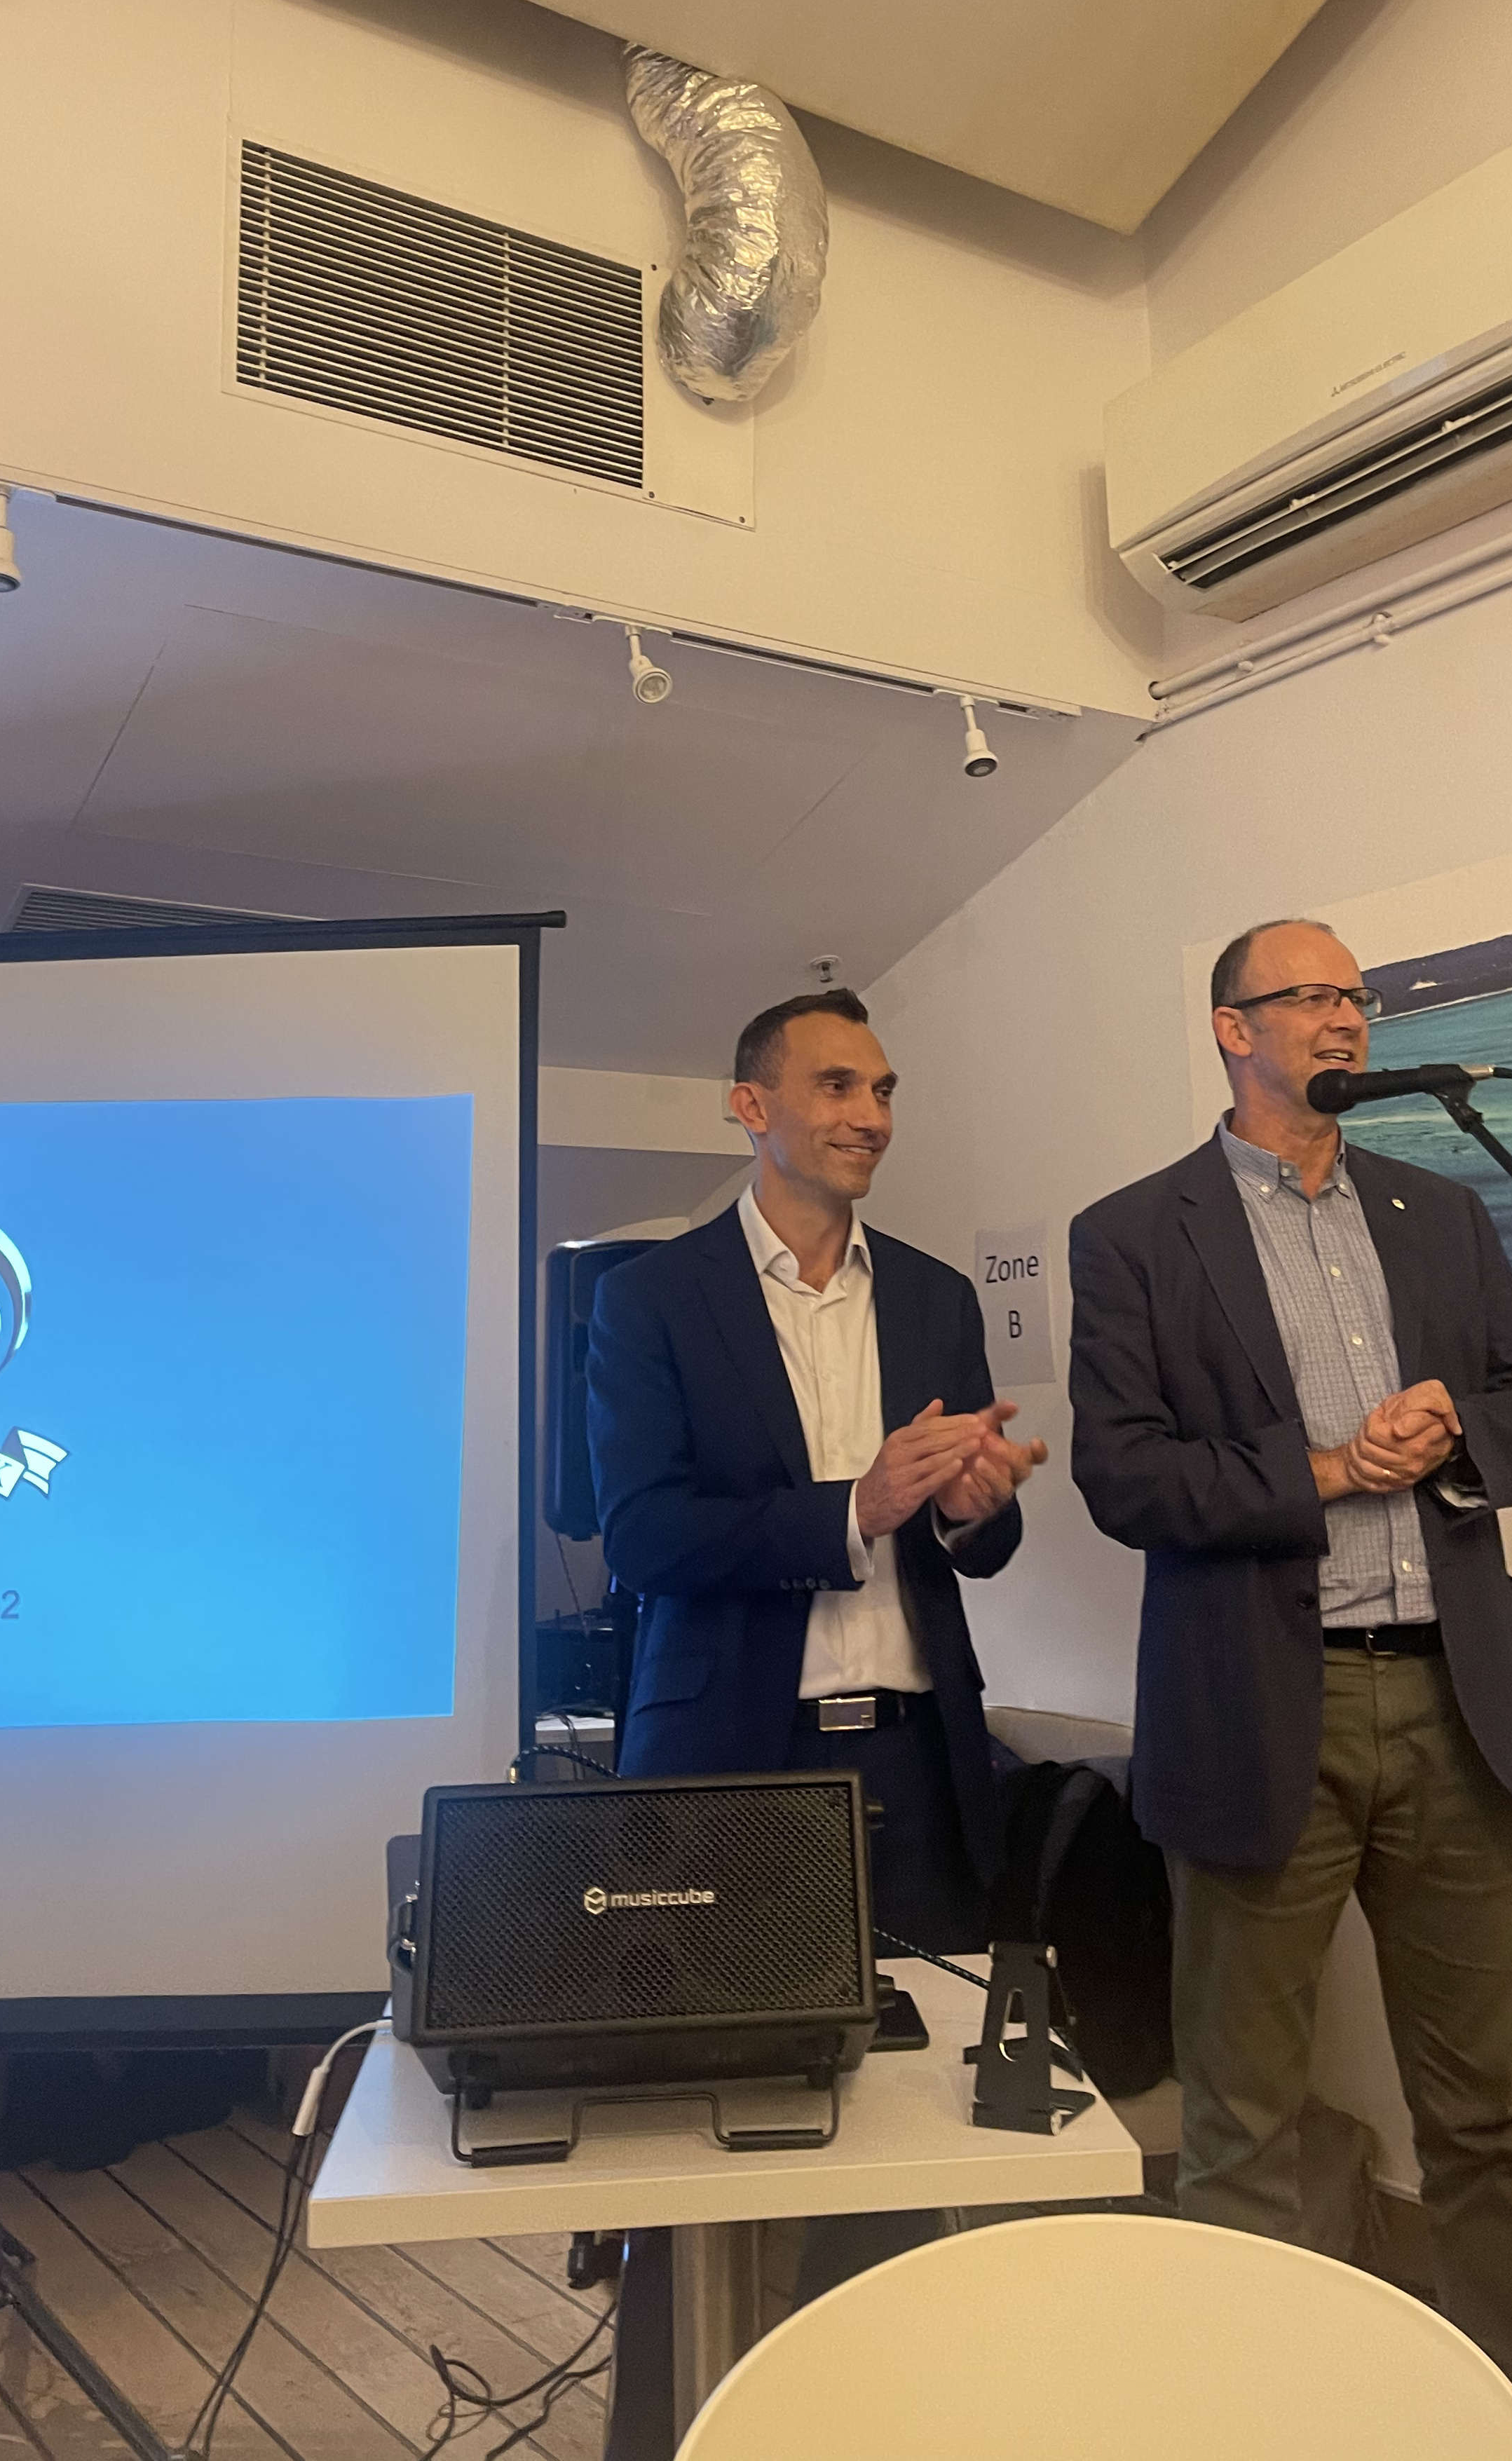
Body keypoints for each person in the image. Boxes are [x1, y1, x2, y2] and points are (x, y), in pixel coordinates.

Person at [1068, 917, 1512, 2438]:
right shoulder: (1134, 1232)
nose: (1345, 1018)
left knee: (1485, 2112)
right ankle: (1253, 2423)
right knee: (1243, 2122)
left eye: (1356, 996)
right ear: (1232, 1029)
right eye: (1308, 996)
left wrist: (1457, 1428)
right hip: (1257, 1708)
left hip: (1459, 1705)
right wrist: (1328, 1468)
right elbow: (1124, 1477)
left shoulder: (1443, 1213)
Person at [587, 986, 1042, 2457]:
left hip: (913, 1758)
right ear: (753, 1107)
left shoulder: (935, 1298)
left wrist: (972, 1508)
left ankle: (865, 2423)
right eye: (838, 1086)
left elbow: (977, 1549)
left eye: (884, 1089)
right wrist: (854, 1506)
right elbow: (642, 1536)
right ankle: (673, 2434)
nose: (871, 1116)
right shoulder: (653, 1299)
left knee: (905, 2138)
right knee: (693, 2135)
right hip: (735, 1765)